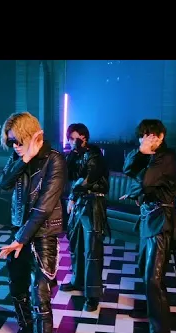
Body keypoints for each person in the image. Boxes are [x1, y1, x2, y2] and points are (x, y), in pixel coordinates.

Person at [0, 112, 67, 333]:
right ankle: (26, 331)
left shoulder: (55, 160)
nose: (14, 146)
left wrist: (20, 240)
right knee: (17, 288)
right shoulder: (19, 157)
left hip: (43, 235)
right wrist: (23, 159)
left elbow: (43, 208)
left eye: (17, 141)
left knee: (40, 296)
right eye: (10, 142)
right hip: (19, 233)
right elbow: (3, 183)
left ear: (30, 134)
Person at [120, 119, 176, 333]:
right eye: (143, 136)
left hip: (161, 221)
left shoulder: (166, 157)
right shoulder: (149, 155)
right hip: (148, 219)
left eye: (151, 136)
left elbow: (145, 182)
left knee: (154, 278)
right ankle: (151, 309)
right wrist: (141, 152)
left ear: (161, 136)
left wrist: (137, 187)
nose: (146, 140)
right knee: (144, 269)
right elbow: (128, 169)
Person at [60, 123, 109, 312]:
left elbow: (86, 179)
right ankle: (77, 281)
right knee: (76, 244)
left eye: (76, 138)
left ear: (84, 138)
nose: (72, 142)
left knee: (92, 250)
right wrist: (73, 154)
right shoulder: (76, 155)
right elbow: (68, 174)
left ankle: (92, 295)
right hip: (79, 203)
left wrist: (72, 196)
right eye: (70, 138)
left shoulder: (94, 155)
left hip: (93, 203)